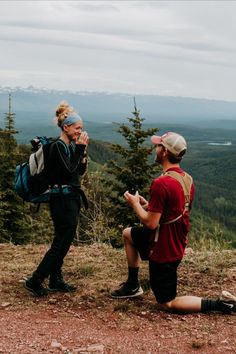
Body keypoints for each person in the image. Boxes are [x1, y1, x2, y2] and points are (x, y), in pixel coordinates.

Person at [111, 132, 236, 314]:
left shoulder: (161, 183)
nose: (155, 148)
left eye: (158, 145)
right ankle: (132, 285)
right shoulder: (187, 178)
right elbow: (176, 210)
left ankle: (222, 305)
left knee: (167, 303)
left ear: (164, 151)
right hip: (176, 240)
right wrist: (150, 205)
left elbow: (150, 223)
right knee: (128, 234)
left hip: (164, 249)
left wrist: (135, 204)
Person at [24, 101, 89, 297]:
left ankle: (55, 278)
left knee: (62, 240)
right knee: (62, 242)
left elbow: (79, 171)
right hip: (61, 200)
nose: (79, 131)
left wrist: (82, 151)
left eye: (81, 129)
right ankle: (35, 279)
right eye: (77, 128)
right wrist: (78, 149)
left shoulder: (69, 146)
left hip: (70, 197)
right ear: (66, 127)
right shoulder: (57, 147)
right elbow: (68, 171)